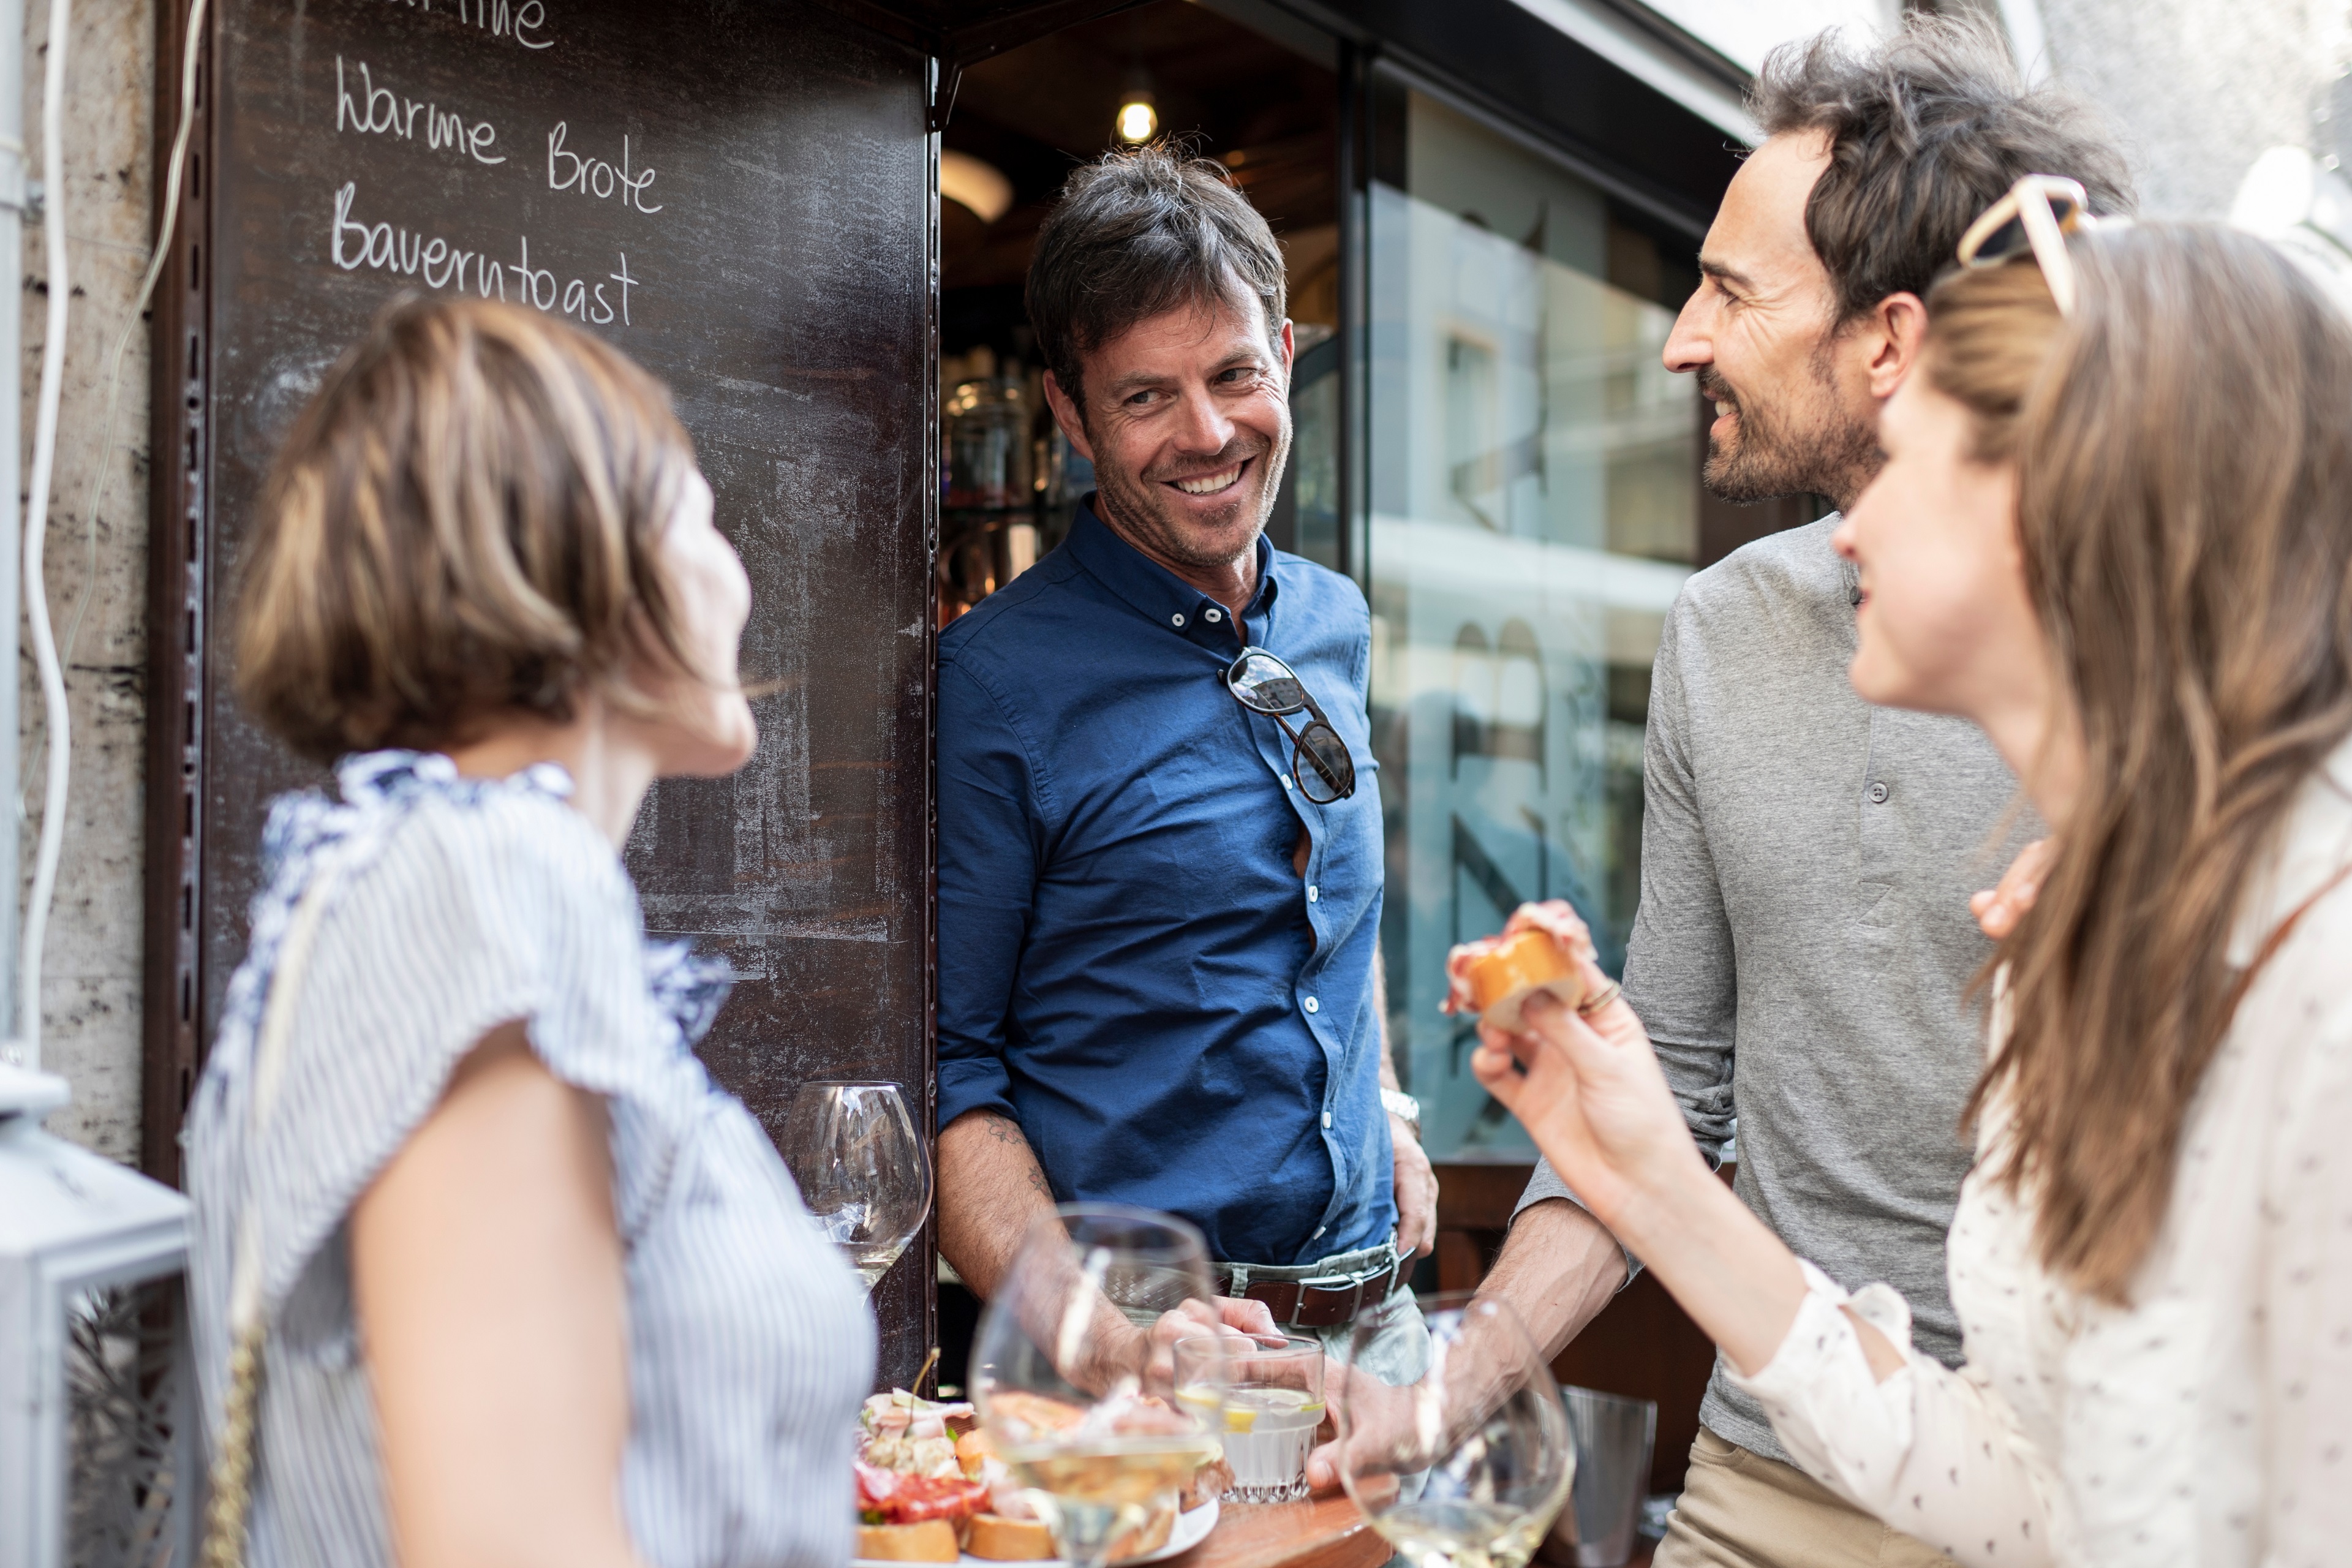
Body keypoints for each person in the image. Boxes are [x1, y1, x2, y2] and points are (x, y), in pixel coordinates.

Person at [1338, 20, 2132, 1565]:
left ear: (1887, 339)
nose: (1681, 336)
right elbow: (1682, 1092)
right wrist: (1452, 1377)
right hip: (1776, 1453)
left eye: (1732, 288)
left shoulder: (2194, 707)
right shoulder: (1726, 626)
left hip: (2096, 1490)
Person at [1472, 213, 2352, 1568]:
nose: (1846, 529)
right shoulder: (2080, 946)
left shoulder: (2312, 965)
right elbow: (2029, 1487)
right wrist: (1655, 1177)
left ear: (2064, 499)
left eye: (1913, 458)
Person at [185, 297, 871, 1568]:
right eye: (703, 513)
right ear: (583, 550)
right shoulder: (489, 879)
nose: (740, 571)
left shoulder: (399, 872)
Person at [933, 145, 1431, 1377]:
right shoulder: (992, 683)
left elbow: (1326, 910)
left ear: (1287, 362)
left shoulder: (1335, 621)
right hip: (1155, 1359)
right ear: (1072, 414)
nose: (1207, 432)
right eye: (1147, 395)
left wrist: (1393, 1118)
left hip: (1385, 1333)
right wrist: (1113, 1348)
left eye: (1235, 374)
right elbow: (949, 1077)